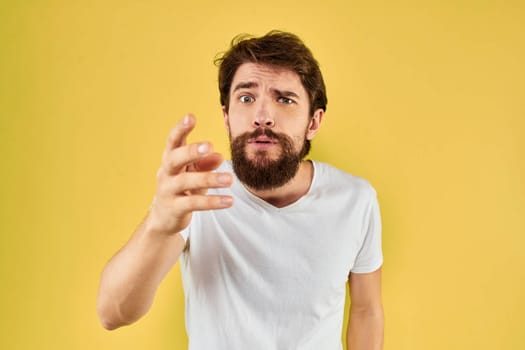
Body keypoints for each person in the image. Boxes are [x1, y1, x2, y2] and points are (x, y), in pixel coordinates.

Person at [97, 30, 384, 350]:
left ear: (313, 123)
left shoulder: (356, 200)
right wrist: (158, 225)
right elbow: (113, 313)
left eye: (285, 99)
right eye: (247, 98)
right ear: (226, 117)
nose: (263, 116)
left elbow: (366, 309)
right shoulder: (195, 193)